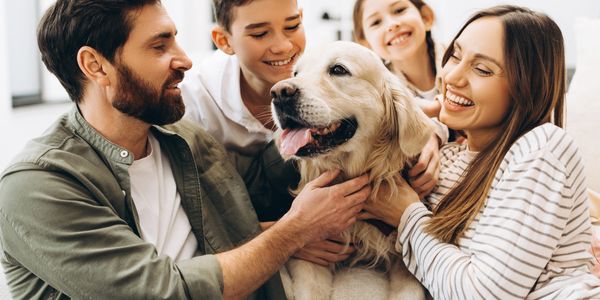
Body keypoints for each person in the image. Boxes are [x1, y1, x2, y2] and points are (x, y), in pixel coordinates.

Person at [0, 1, 371, 299]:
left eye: (175, 39)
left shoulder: (182, 137)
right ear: (95, 65)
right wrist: (293, 233)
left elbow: (257, 185)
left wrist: (417, 132)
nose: (185, 59)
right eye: (159, 46)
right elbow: (164, 291)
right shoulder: (36, 186)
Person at [362, 5, 600, 299]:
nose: (452, 77)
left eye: (483, 69)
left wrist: (407, 215)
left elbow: (484, 294)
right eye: (455, 56)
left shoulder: (543, 147)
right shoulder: (442, 161)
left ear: (525, 88)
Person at [181, 0, 440, 266]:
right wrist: (287, 236)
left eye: (292, 26)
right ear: (224, 41)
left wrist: (429, 133)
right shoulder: (192, 106)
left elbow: (411, 107)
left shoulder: (315, 62)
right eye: (259, 33)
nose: (283, 46)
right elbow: (190, 224)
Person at [353, 0, 442, 118]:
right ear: (367, 45)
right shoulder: (379, 93)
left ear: (426, 17)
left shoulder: (461, 60)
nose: (391, 25)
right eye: (376, 22)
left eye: (399, 10)